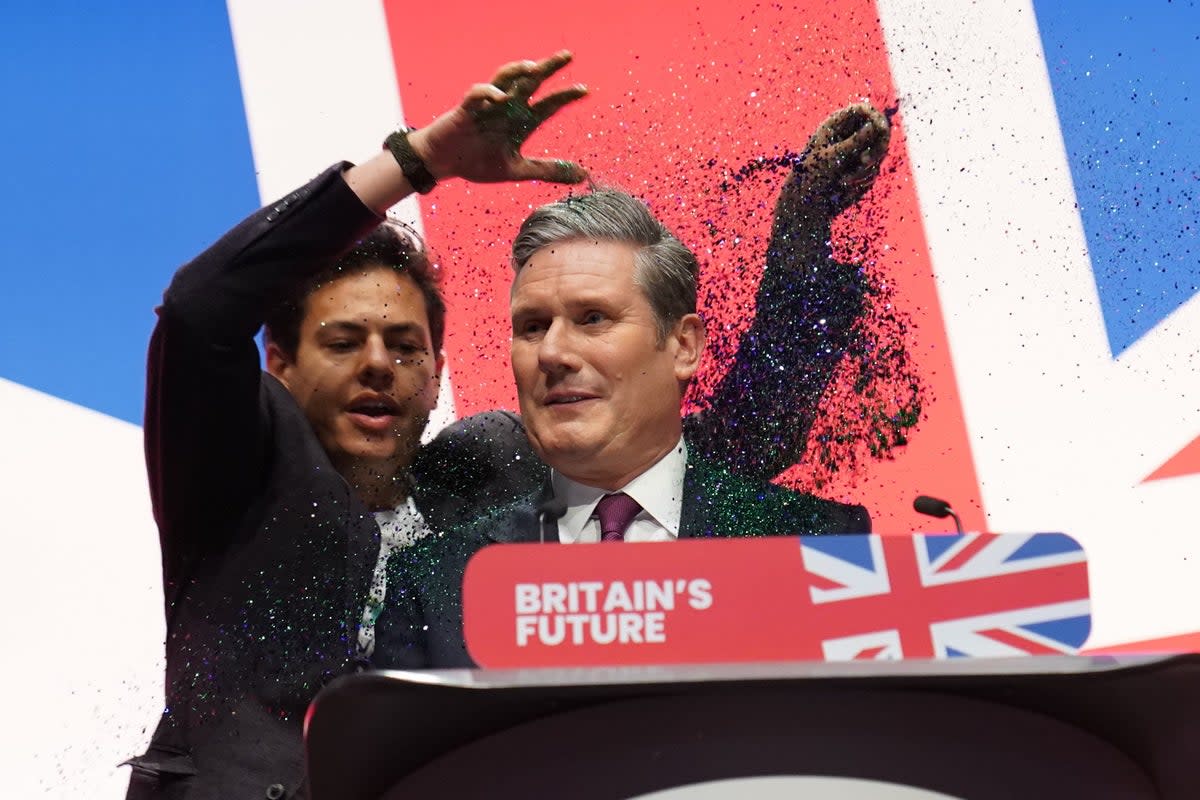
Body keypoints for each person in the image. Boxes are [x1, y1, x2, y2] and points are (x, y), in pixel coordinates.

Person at [125, 46, 888, 798]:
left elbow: (738, 441)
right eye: (343, 341)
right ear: (279, 367)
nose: (377, 365)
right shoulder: (236, 477)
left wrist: (800, 242)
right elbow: (198, 314)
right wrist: (420, 158)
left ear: (439, 376)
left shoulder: (492, 471)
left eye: (405, 347)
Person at [372, 187, 873, 671]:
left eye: (593, 318)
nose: (551, 353)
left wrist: (802, 245)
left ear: (683, 346)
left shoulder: (816, 544)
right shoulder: (433, 584)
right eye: (532, 327)